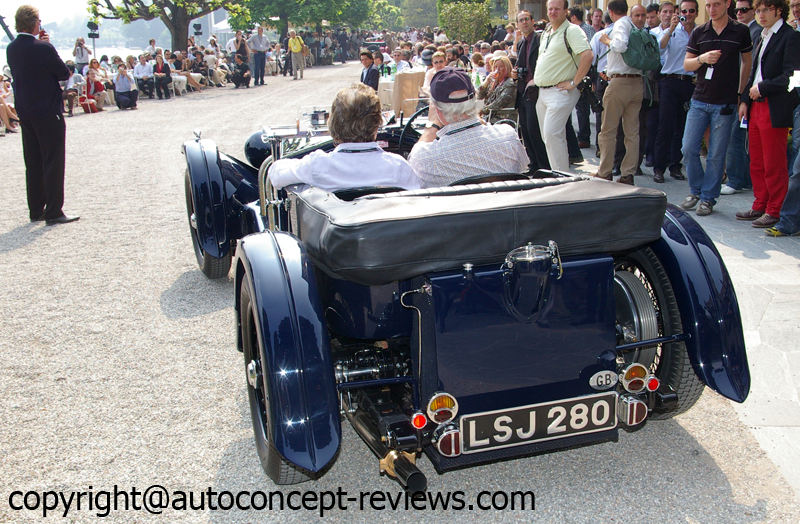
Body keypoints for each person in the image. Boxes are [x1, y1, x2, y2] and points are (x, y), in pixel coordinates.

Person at [269, 83, 419, 191]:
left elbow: (275, 173)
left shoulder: (318, 165)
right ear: (377, 126)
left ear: (333, 125)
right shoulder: (399, 167)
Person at [679, 0, 753, 217]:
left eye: (716, 4)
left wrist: (741, 94)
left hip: (726, 102)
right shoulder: (700, 31)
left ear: (727, 4)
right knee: (688, 148)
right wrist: (702, 58)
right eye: (709, 5)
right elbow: (687, 64)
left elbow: (747, 62)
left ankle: (708, 198)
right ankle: (696, 190)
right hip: (700, 99)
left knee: (716, 154)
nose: (712, 9)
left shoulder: (740, 31)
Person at [6, 5, 78, 225]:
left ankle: (36, 209)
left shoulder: (11, 48)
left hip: (25, 110)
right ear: (35, 22)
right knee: (53, 159)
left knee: (33, 160)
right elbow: (63, 73)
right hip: (47, 110)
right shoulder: (43, 48)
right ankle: (54, 211)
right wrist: (48, 46)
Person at [735, 0, 800, 228]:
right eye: (759, 10)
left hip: (774, 104)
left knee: (774, 162)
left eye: (765, 10)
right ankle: (760, 204)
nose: (760, 14)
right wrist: (744, 100)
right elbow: (753, 70)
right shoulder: (761, 34)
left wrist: (763, 88)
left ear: (779, 10)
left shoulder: (789, 36)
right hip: (755, 104)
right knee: (757, 160)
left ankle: (775, 210)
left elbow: (792, 76)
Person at [408, 67, 528, 187]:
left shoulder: (423, 158)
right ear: (474, 101)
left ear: (437, 110)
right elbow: (523, 174)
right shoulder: (508, 137)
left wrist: (433, 124)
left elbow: (413, 170)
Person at [534, 0, 593, 172]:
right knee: (550, 137)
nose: (553, 12)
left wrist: (574, 82)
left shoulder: (572, 30)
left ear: (566, 11)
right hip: (543, 92)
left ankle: (561, 178)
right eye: (550, 9)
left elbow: (587, 55)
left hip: (560, 91)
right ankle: (560, 175)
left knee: (552, 135)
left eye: (557, 9)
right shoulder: (547, 31)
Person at [595, 1, 644, 185]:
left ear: (610, 11)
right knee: (632, 132)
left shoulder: (621, 24)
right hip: (636, 82)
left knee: (608, 130)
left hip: (620, 83)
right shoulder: (633, 24)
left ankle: (605, 171)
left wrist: (607, 41)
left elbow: (620, 46)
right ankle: (627, 174)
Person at [721, 0, 764, 194]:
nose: (739, 13)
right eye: (736, 10)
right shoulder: (748, 30)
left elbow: (751, 66)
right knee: (742, 137)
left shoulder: (753, 32)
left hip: (747, 91)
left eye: (744, 10)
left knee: (735, 136)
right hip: (742, 90)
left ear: (753, 11)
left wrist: (742, 94)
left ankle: (736, 180)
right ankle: (743, 179)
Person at [652, 0, 697, 183]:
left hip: (689, 82)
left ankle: (675, 166)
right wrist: (670, 29)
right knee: (665, 126)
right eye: (684, 11)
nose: (688, 14)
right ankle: (659, 167)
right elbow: (660, 49)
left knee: (682, 126)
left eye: (691, 11)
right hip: (669, 81)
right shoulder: (671, 31)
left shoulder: (699, 32)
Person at [514, 9, 550, 172]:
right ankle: (534, 163)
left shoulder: (540, 38)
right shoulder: (521, 42)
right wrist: (515, 72)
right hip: (522, 90)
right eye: (521, 20)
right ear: (518, 24)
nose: (524, 22)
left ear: (532, 21)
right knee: (526, 130)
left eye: (527, 19)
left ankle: (544, 165)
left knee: (534, 129)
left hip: (536, 89)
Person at [477, 55, 517, 123]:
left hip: (502, 119)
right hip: (490, 117)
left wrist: (482, 110)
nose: (497, 69)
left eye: (501, 66)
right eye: (495, 66)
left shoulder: (510, 83)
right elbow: (479, 96)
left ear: (507, 68)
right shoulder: (493, 82)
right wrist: (486, 83)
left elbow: (499, 103)